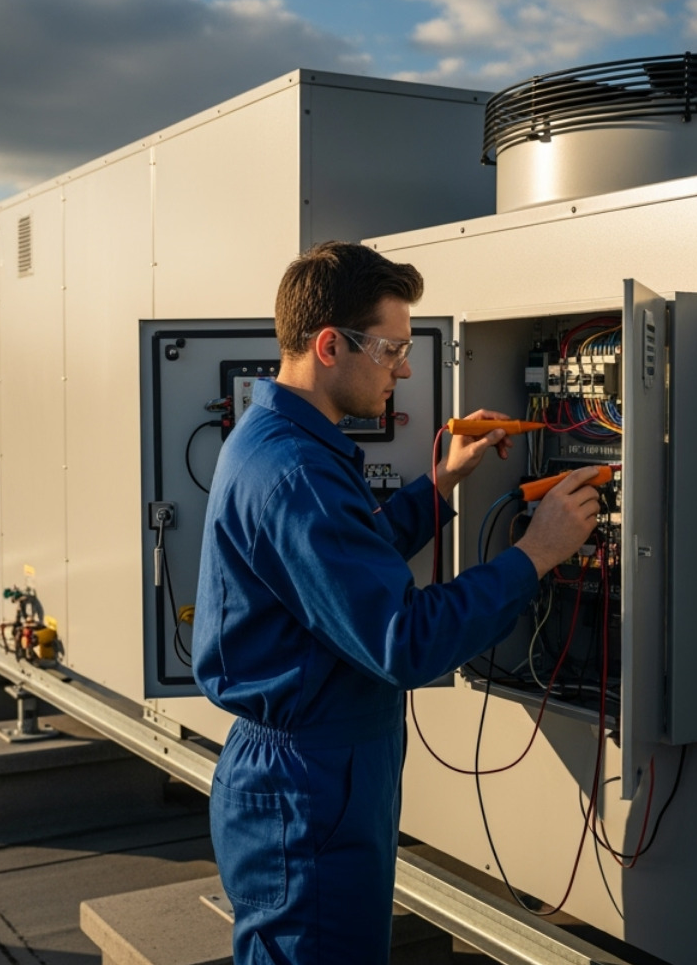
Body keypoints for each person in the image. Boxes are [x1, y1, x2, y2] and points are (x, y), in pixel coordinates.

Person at [192, 240, 603, 964]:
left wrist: (438, 487)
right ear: (328, 345)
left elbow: (341, 569)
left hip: (317, 770)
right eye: (390, 349)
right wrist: (536, 553)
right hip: (309, 784)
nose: (405, 369)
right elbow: (402, 640)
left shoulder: (280, 443)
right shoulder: (297, 472)